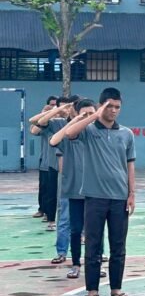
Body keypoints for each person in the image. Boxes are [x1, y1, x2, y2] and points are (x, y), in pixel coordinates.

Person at [64, 87, 135, 296]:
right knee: (93, 245)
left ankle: (116, 289)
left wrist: (131, 193)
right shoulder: (88, 131)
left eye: (117, 107)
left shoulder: (126, 134)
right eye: (109, 106)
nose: (114, 111)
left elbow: (130, 164)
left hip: (119, 198)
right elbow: (69, 133)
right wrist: (93, 115)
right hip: (94, 197)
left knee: (118, 247)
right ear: (101, 105)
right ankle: (92, 290)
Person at [49, 98, 97, 279]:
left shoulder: (98, 134)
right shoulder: (69, 136)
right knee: (76, 229)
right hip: (75, 190)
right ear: (76, 114)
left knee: (95, 231)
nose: (89, 117)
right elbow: (53, 141)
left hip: (96, 191)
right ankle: (76, 264)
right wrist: (76, 121)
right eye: (85, 113)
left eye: (92, 113)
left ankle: (95, 263)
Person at [29, 98, 74, 232]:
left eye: (68, 107)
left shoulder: (78, 122)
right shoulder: (53, 122)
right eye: (63, 107)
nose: (66, 110)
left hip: (72, 165)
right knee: (51, 193)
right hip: (52, 163)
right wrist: (51, 111)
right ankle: (51, 219)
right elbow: (34, 127)